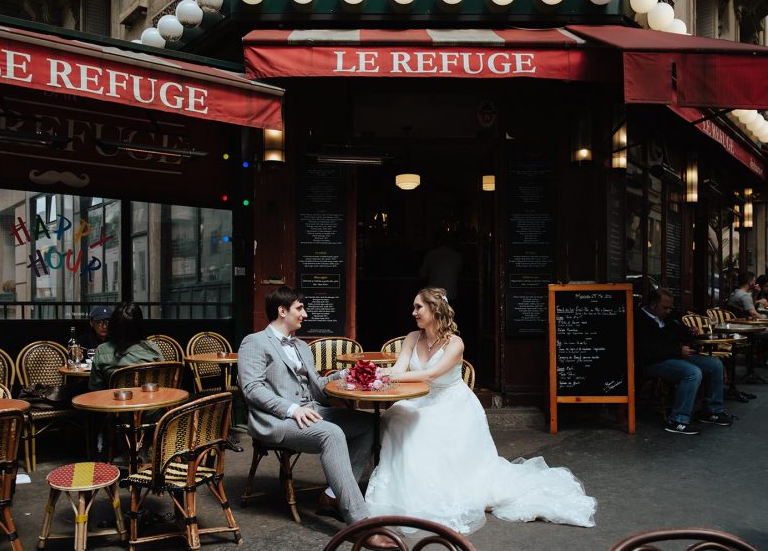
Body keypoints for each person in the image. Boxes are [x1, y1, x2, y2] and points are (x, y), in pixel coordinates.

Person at [365, 287, 596, 534]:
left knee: (422, 427)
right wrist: (373, 374)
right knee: (394, 418)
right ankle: (404, 487)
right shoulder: (412, 337)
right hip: (420, 399)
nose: (413, 313)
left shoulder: (455, 343)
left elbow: (432, 374)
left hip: (451, 404)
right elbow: (399, 368)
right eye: (414, 307)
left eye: (418, 307)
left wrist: (397, 377)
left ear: (434, 309)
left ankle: (434, 490)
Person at [238, 287, 394, 548]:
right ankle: (359, 522)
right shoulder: (254, 342)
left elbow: (316, 388)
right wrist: (291, 409)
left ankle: (333, 496)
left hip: (311, 409)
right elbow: (252, 389)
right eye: (300, 308)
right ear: (282, 311)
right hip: (279, 419)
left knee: (370, 424)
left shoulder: (301, 345)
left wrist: (343, 375)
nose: (305, 314)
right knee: (331, 433)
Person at [635, 288, 733, 435]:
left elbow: (677, 330)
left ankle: (712, 411)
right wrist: (677, 352)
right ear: (653, 305)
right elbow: (646, 350)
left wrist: (689, 331)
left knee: (715, 365)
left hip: (675, 356)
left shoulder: (668, 317)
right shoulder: (639, 320)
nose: (668, 311)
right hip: (653, 362)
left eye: (670, 308)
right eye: (665, 308)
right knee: (693, 373)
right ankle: (678, 420)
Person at [88, 302, 162, 391]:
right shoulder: (152, 348)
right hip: (151, 402)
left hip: (113, 402)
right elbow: (164, 382)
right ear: (139, 326)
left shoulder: (101, 350)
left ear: (113, 325)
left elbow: (95, 390)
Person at [419, 231, 463, 302]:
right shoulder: (457, 256)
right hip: (450, 295)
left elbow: (422, 275)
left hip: (433, 295)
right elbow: (459, 274)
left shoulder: (431, 254)